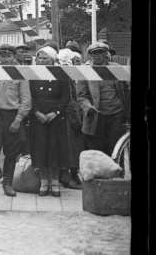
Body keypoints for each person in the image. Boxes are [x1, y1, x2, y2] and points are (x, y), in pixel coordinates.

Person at [0, 44, 31, 197]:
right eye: (1, 55)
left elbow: (26, 100)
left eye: (8, 55)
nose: (5, 58)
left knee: (12, 153)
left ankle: (7, 183)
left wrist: (18, 120)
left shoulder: (20, 73)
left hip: (12, 116)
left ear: (14, 56)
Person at [28, 46, 71, 197]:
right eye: (39, 58)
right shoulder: (33, 74)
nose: (41, 60)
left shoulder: (62, 75)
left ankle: (55, 183)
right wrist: (36, 112)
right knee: (40, 150)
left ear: (53, 60)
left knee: (55, 151)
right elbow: (29, 95)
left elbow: (67, 97)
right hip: (38, 118)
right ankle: (44, 182)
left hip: (55, 119)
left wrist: (56, 112)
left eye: (45, 58)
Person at [76, 41, 130, 157]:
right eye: (95, 53)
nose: (98, 56)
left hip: (116, 113)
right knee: (98, 147)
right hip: (97, 115)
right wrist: (88, 107)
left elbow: (126, 89)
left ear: (106, 54)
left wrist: (126, 111)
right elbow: (81, 95)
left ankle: (117, 170)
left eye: (101, 52)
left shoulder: (116, 68)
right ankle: (101, 172)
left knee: (115, 144)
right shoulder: (85, 71)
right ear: (91, 55)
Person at [57, 48, 84, 189]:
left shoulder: (73, 76)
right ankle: (67, 177)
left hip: (72, 115)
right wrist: (76, 121)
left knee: (74, 147)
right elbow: (70, 100)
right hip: (69, 117)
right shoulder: (67, 76)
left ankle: (72, 175)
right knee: (70, 147)